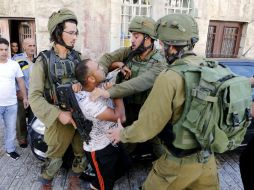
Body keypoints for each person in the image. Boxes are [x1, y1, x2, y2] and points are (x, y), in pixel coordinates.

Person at [107, 14, 220, 190]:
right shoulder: (210, 68)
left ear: (171, 46)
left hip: (177, 161)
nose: (161, 47)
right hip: (208, 161)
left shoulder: (169, 77)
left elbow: (147, 126)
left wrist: (121, 134)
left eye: (162, 43)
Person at [91, 16, 167, 159]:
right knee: (122, 145)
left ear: (148, 39)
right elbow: (107, 58)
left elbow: (139, 83)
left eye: (136, 36)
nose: (132, 40)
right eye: (132, 36)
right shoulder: (129, 52)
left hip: (146, 112)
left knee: (158, 146)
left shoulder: (160, 63)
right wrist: (102, 73)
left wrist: (110, 92)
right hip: (126, 108)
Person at [29, 8, 86, 190]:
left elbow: (88, 82)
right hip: (57, 119)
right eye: (70, 32)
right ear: (57, 33)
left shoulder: (78, 58)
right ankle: (46, 182)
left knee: (81, 153)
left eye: (76, 32)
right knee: (54, 158)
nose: (75, 36)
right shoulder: (43, 61)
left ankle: (74, 178)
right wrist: (57, 114)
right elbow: (34, 97)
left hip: (78, 116)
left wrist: (81, 85)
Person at [75, 58, 130, 190]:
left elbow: (109, 68)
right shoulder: (88, 103)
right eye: (98, 68)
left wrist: (118, 64)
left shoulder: (97, 83)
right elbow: (121, 117)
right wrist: (115, 92)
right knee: (105, 184)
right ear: (91, 79)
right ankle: (96, 185)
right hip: (100, 150)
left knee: (125, 165)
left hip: (113, 139)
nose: (102, 69)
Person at [0, 37, 28, 160]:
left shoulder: (14, 64)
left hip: (11, 104)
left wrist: (25, 97)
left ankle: (10, 150)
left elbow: (21, 81)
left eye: (6, 49)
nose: (4, 52)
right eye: (1, 49)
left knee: (11, 129)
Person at [13, 38, 36, 148]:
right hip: (21, 93)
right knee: (20, 117)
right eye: (29, 46)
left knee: (34, 116)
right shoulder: (17, 59)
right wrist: (17, 91)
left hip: (35, 94)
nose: (32, 48)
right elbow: (12, 77)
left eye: (33, 45)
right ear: (24, 47)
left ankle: (32, 135)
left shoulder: (38, 59)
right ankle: (22, 138)